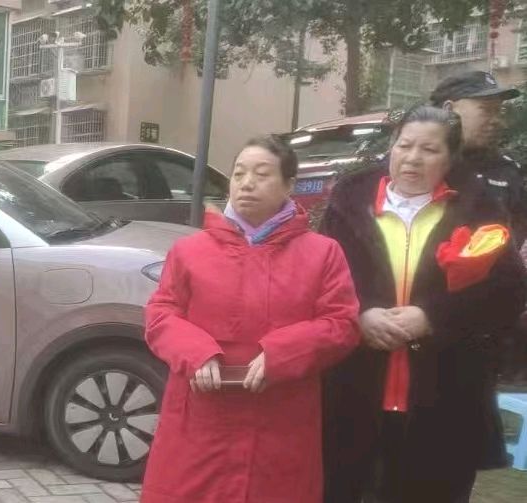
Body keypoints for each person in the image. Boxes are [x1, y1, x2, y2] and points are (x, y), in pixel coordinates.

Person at [321, 106, 527, 503]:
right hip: (353, 391)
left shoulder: (478, 210)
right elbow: (320, 279)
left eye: (429, 150)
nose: (413, 158)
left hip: (445, 397)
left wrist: (433, 316)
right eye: (405, 145)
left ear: (450, 159)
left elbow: (507, 292)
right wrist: (359, 315)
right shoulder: (348, 205)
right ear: (392, 146)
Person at [140, 135, 360, 503]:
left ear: (289, 185)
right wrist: (196, 353)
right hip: (200, 421)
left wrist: (282, 355)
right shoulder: (190, 251)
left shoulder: (322, 253)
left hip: (281, 419)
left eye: (261, 174)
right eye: (239, 173)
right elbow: (161, 314)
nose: (246, 183)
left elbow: (343, 323)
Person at [429, 70, 525, 246]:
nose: (498, 121)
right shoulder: (410, 164)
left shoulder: (506, 169)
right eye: (486, 110)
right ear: (449, 109)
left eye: (499, 111)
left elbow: (517, 234)